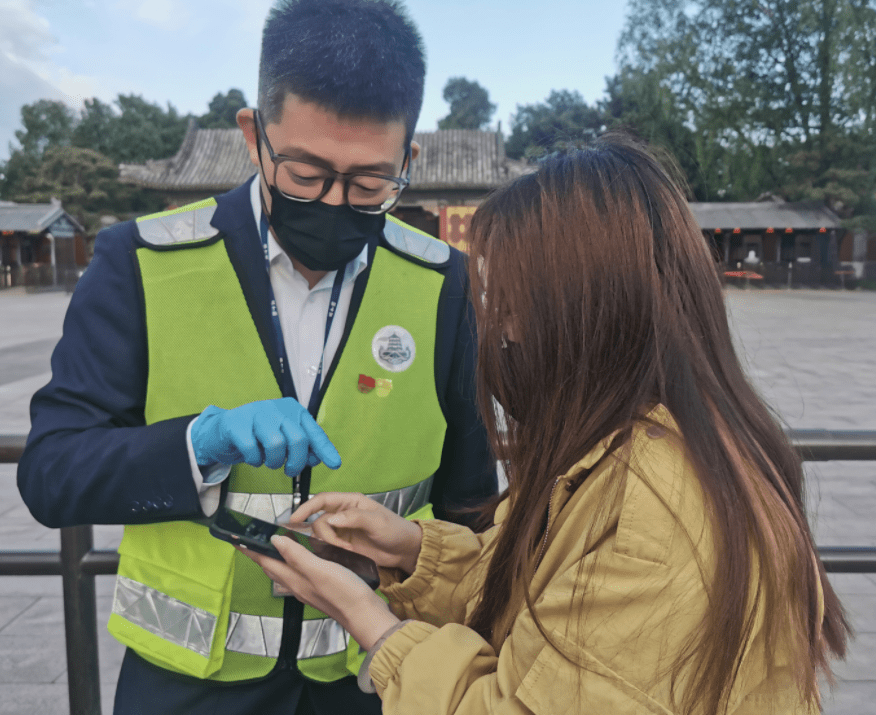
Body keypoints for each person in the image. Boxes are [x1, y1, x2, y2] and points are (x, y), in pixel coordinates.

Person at [17, 0, 495, 715]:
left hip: (373, 682)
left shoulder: (443, 283)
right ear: (253, 135)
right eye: (305, 172)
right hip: (187, 688)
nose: (336, 202)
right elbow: (52, 473)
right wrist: (200, 444)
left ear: (410, 161)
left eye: (370, 182)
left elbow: (470, 504)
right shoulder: (141, 263)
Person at [246, 133, 852, 715]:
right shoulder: (637, 444)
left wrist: (370, 622)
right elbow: (549, 597)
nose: (499, 329)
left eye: (510, 301)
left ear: (585, 310)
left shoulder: (653, 516)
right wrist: (407, 551)